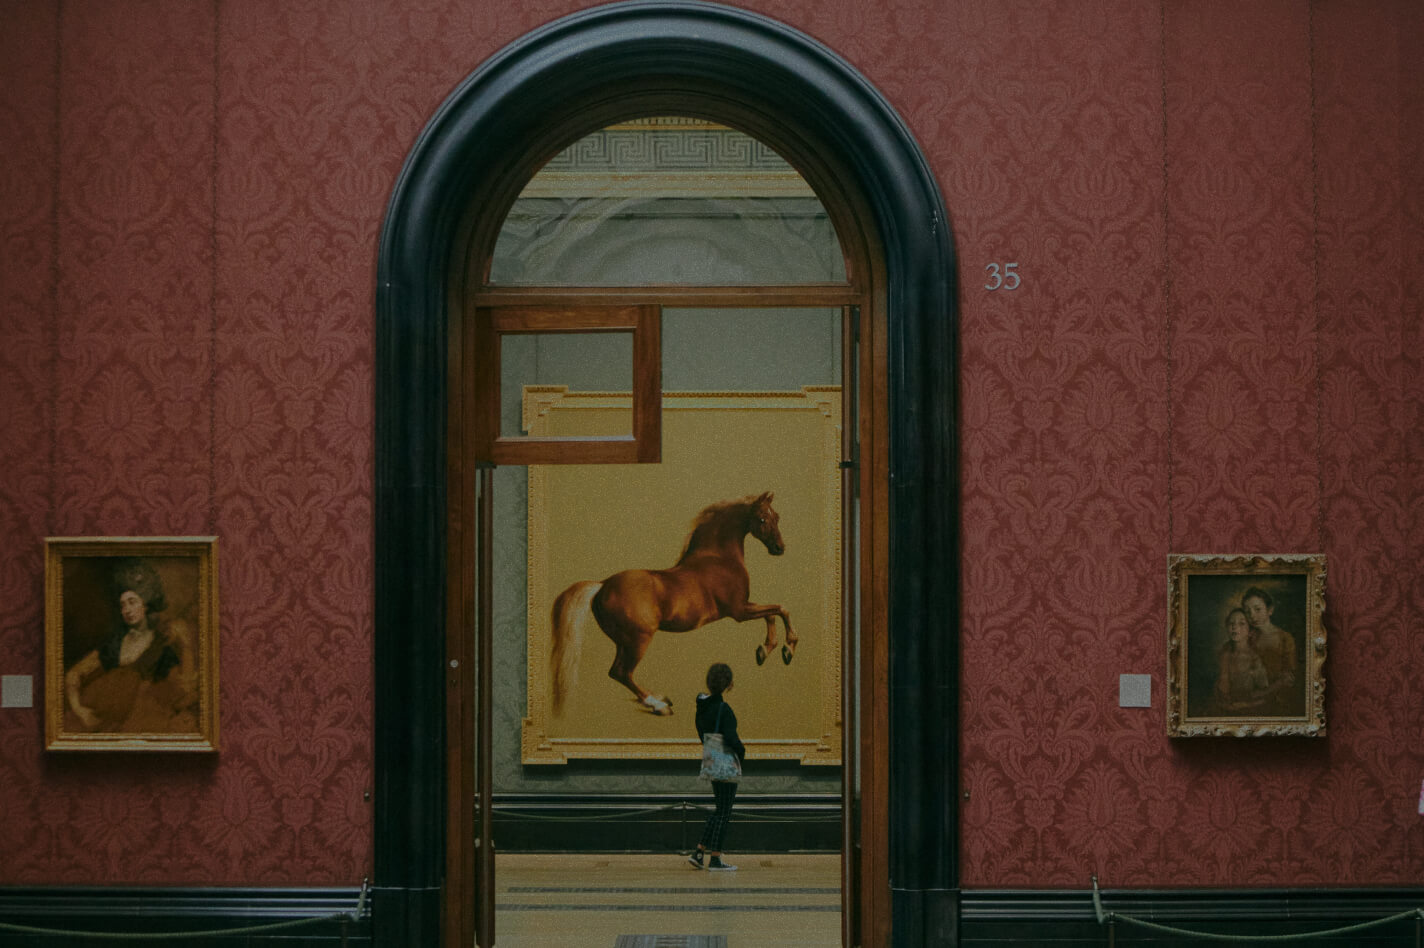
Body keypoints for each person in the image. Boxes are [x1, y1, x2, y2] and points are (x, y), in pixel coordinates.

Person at [64, 558, 198, 733]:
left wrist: (185, 645)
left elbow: (183, 694)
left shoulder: (160, 646)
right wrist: (80, 710)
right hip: (99, 719)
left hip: (137, 723)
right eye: (123, 605)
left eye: (132, 602)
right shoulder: (115, 644)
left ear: (146, 603)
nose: (127, 610)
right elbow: (73, 675)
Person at [687, 662, 745, 872]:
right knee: (724, 812)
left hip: (711, 757)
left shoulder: (701, 709)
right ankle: (716, 858)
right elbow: (731, 738)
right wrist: (742, 752)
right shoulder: (724, 708)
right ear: (729, 684)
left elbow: (703, 735)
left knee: (719, 809)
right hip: (726, 761)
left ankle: (699, 852)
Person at [1240, 586, 1301, 716]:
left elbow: (1289, 678)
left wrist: (1265, 692)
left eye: (1257, 609)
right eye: (1247, 611)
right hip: (1252, 699)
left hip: (1280, 698)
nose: (1252, 615)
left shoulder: (1285, 638)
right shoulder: (1246, 638)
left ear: (1270, 610)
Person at [1212, 608, 1269, 713]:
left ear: (1250, 631)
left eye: (1242, 623)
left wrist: (1244, 705)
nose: (1234, 627)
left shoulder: (1254, 659)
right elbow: (1219, 689)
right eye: (1231, 623)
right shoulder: (1224, 654)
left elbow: (1265, 696)